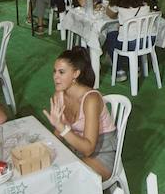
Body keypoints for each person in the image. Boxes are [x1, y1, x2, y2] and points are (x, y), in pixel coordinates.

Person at [43, 48, 118, 180]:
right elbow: (58, 133)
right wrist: (45, 149)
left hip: (101, 154)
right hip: (75, 148)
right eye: (54, 71)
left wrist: (61, 128)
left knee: (62, 177)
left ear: (76, 74)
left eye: (61, 72)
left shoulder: (91, 99)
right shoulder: (59, 95)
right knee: (44, 169)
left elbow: (88, 149)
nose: (55, 77)